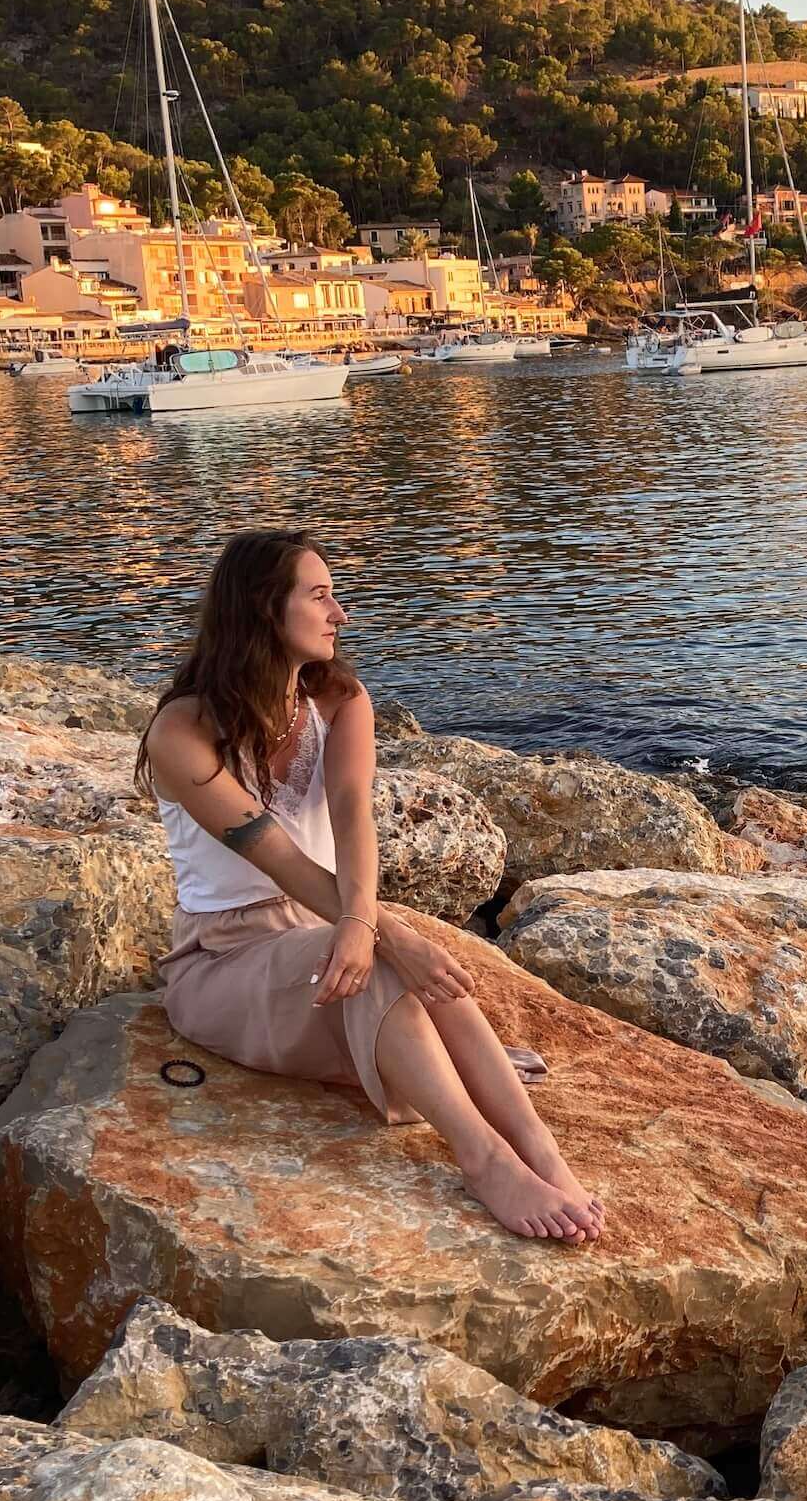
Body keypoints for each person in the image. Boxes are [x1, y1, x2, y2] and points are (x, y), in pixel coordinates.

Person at [139, 530, 603, 1243]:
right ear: (266, 610)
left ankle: (539, 1150)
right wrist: (373, 930)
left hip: (321, 932)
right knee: (389, 959)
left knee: (419, 968)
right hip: (222, 960)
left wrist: (369, 924)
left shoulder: (341, 701)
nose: (341, 613)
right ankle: (483, 1160)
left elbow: (356, 821)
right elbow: (280, 859)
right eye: (320, 595)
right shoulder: (181, 731)